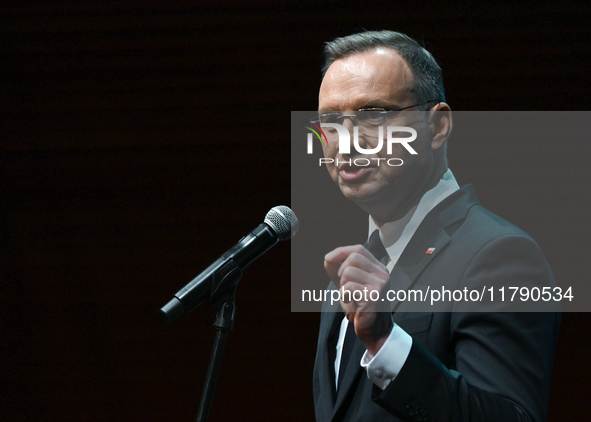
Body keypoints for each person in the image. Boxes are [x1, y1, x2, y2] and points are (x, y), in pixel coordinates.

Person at [312, 30, 560, 422]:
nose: (345, 142)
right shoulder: (346, 278)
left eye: (373, 114)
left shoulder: (501, 255)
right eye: (330, 121)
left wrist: (385, 342)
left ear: (438, 126)